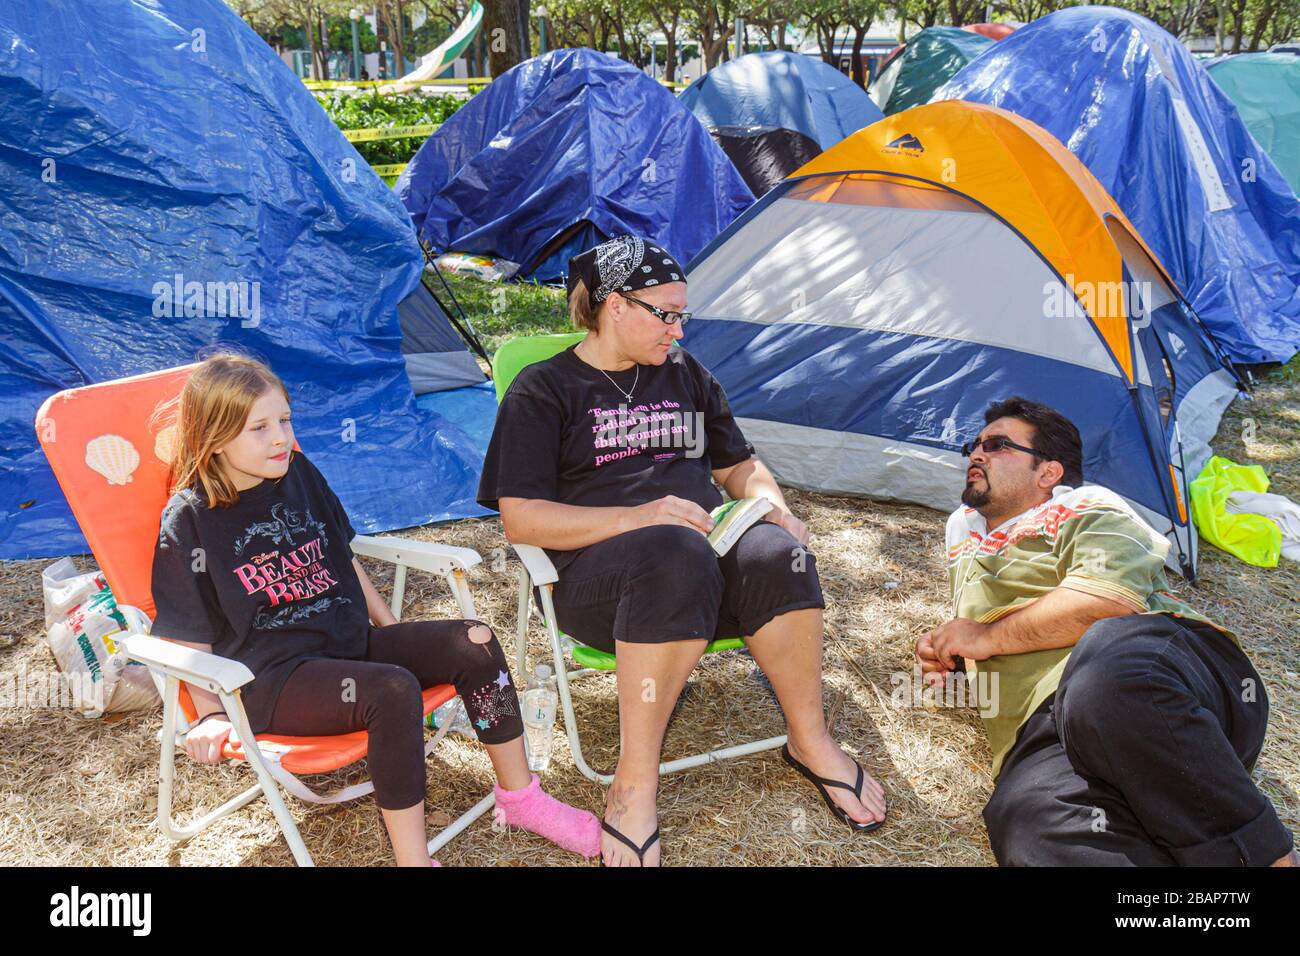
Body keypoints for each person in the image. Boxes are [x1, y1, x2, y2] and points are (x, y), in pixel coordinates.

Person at [478, 235, 888, 867]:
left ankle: (810, 740)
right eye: (665, 314)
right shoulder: (545, 390)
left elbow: (739, 465)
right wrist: (637, 517)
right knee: (671, 551)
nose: (677, 330)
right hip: (600, 588)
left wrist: (772, 506)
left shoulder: (684, 374)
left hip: (703, 569)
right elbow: (520, 518)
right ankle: (634, 784)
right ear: (615, 305)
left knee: (779, 552)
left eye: (682, 315)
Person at [151, 351, 600, 866]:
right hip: (269, 682)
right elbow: (186, 626)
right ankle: (413, 861)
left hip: (348, 646)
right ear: (214, 437)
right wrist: (209, 714)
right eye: (259, 428)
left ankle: (522, 799)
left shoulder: (298, 472)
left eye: (284, 420)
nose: (280, 437)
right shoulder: (189, 520)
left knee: (474, 641)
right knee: (392, 689)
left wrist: (393, 632)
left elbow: (339, 552)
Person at [916, 396, 1296, 866]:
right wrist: (952, 657)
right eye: (974, 445)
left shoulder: (1086, 503)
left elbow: (1108, 602)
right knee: (1027, 821)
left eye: (996, 444)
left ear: (1048, 473)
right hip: (1047, 732)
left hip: (1165, 682)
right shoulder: (962, 533)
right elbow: (999, 631)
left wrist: (982, 638)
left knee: (1105, 666)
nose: (977, 453)